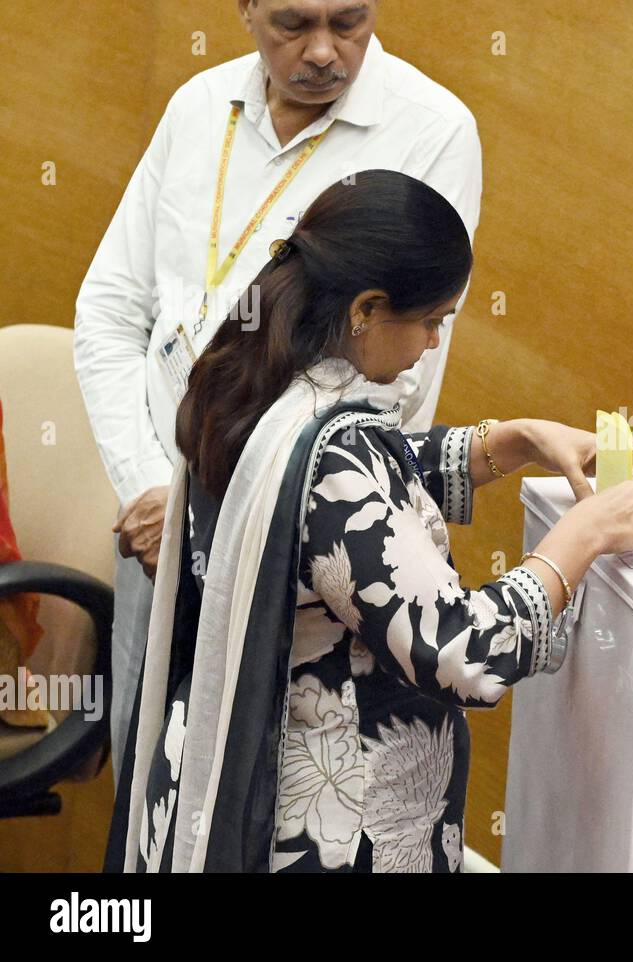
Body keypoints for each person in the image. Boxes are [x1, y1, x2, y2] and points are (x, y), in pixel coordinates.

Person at [103, 170, 633, 873]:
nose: (431, 343)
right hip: (319, 831)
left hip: (208, 785)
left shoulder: (247, 374)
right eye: (430, 321)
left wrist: (508, 441)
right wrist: (583, 536)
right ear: (366, 308)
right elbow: (464, 653)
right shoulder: (335, 452)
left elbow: (325, 502)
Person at [73, 0, 483, 785]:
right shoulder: (197, 107)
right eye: (294, 24)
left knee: (256, 808)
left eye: (350, 22)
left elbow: (391, 384)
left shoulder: (431, 129)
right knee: (149, 787)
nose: (325, 51)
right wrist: (154, 490)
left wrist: (211, 512)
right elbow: (111, 314)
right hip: (155, 528)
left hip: (291, 553)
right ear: (246, 8)